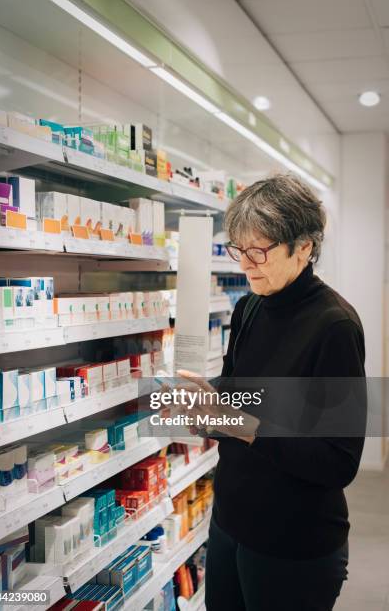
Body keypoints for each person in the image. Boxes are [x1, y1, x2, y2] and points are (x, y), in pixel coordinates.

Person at [175, 174, 366, 611]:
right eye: (237, 250)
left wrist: (247, 429)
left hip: (294, 543)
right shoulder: (249, 307)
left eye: (258, 251)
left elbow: (339, 461)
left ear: (304, 247)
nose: (245, 264)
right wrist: (206, 409)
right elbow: (237, 396)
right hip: (229, 524)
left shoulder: (334, 326)